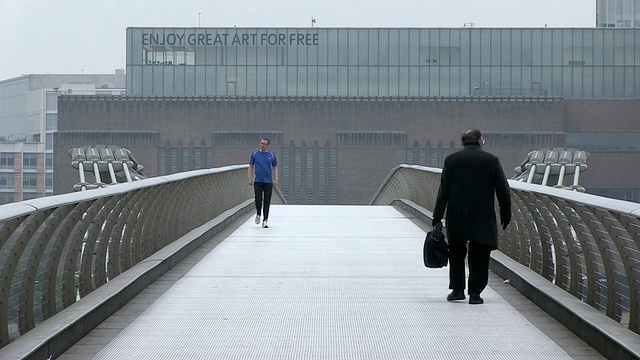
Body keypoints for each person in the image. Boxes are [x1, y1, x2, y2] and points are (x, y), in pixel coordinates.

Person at [432, 129, 511, 305]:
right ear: (480, 141)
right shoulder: (491, 160)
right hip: (482, 215)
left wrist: (437, 216)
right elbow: (503, 189)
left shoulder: (452, 160)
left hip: (457, 214)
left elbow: (443, 191)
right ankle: (475, 293)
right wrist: (506, 212)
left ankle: (458, 290)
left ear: (463, 142)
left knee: (456, 252)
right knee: (480, 254)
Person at [248, 138, 279, 228]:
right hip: (258, 181)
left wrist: (276, 179)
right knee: (258, 198)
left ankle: (265, 220)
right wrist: (250, 178)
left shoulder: (271, 155)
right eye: (261, 143)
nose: (262, 145)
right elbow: (250, 166)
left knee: (267, 201)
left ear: (267, 145)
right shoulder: (255, 154)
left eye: (264, 144)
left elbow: (275, 167)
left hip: (268, 182)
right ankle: (258, 213)